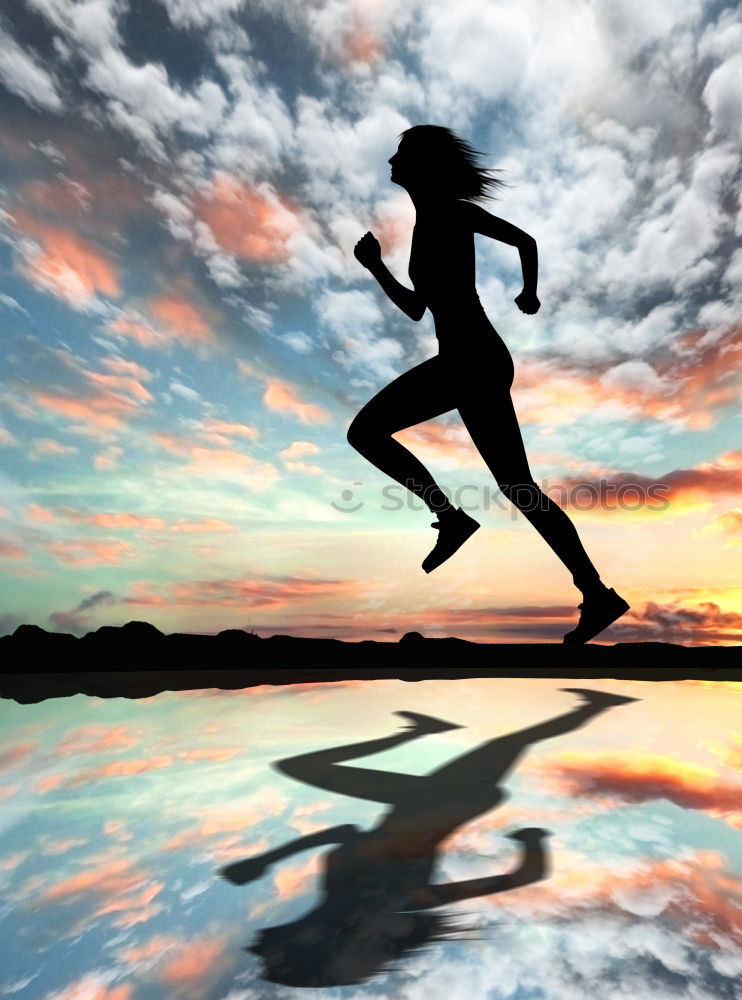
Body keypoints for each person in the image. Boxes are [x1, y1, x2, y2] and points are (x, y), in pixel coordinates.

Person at [349, 125, 629, 644]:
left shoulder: (452, 212)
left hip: (472, 359)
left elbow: (525, 240)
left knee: (364, 433)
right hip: (469, 361)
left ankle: (450, 518)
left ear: (421, 166)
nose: (391, 159)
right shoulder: (425, 222)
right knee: (520, 489)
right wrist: (377, 269)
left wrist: (530, 291)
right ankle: (598, 595)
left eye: (401, 153)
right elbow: (417, 308)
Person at [219, 687, 639, 986]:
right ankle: (598, 705)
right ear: (321, 941)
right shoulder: (393, 900)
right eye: (282, 950)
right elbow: (523, 879)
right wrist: (531, 840)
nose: (272, 940)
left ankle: (416, 732)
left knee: (510, 742)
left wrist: (270, 858)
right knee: (301, 767)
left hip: (426, 800)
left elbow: (343, 832)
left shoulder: (345, 891)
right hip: (441, 802)